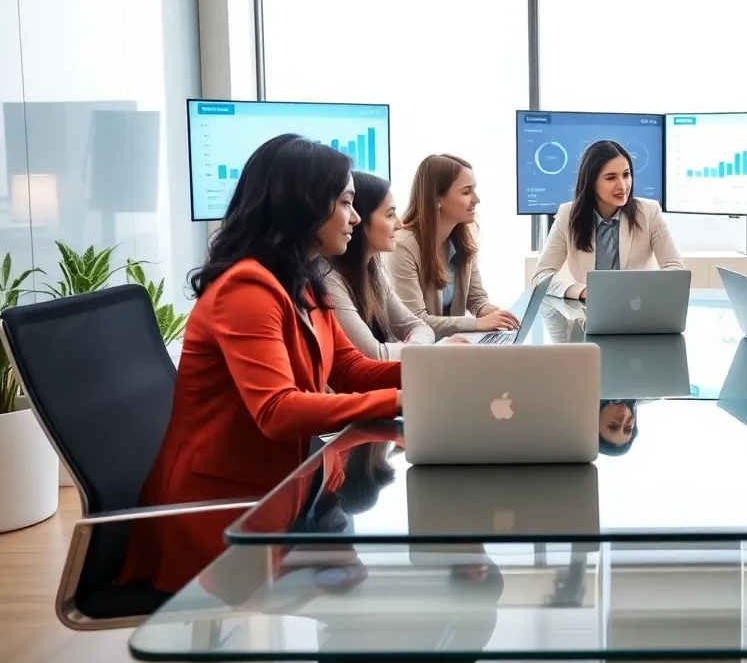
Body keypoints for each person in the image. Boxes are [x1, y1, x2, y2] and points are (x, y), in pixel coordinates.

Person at [119, 134, 403, 594]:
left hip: (281, 491)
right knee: (364, 587)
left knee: (361, 581)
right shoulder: (247, 289)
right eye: (346, 202)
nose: (355, 217)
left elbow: (350, 369)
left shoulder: (303, 281)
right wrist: (401, 399)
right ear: (303, 204)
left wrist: (439, 372)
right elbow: (277, 411)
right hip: (224, 514)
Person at [532, 140, 684, 300]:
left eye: (626, 175)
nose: (623, 185)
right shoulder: (568, 215)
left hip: (638, 306)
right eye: (611, 178)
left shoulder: (649, 212)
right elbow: (541, 276)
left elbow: (676, 269)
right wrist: (583, 291)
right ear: (591, 181)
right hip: (589, 310)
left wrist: (645, 288)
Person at [392, 153, 518, 336]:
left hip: (450, 345)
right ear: (437, 198)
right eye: (466, 192)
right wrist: (476, 324)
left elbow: (476, 299)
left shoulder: (462, 239)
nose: (476, 199)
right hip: (419, 348)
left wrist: (494, 314)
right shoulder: (403, 246)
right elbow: (414, 321)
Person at [325, 171, 436, 359]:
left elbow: (420, 327)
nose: (400, 224)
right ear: (361, 221)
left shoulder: (373, 271)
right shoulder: (329, 278)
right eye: (390, 215)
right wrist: (414, 349)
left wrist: (412, 348)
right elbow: (374, 354)